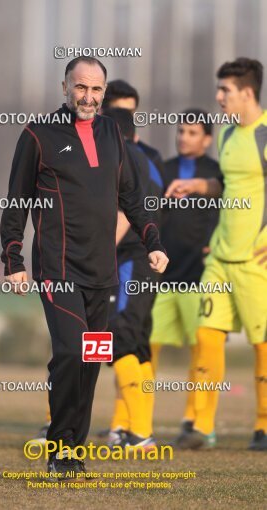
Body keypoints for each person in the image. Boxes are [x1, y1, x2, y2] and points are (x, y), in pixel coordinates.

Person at [0, 56, 168, 477]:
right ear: (64, 87)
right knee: (71, 352)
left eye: (96, 90)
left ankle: (72, 454)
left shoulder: (113, 132)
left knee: (90, 362)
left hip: (103, 273)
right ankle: (59, 448)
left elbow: (132, 196)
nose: (88, 97)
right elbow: (17, 201)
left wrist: (153, 241)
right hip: (57, 269)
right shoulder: (37, 135)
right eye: (80, 88)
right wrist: (13, 260)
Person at [166, 58, 267, 450]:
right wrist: (198, 186)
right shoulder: (225, 136)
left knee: (262, 345)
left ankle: (263, 426)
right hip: (220, 260)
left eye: (225, 90)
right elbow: (225, 183)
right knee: (206, 336)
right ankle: (201, 427)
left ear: (247, 92)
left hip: (255, 263)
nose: (218, 96)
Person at [149, 109, 221, 444]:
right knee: (146, 346)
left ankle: (194, 423)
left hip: (200, 276)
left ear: (207, 139)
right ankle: (137, 423)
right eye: (180, 131)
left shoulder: (218, 174)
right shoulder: (164, 170)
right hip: (162, 276)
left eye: (192, 132)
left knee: (201, 350)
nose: (183, 137)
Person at [102, 107, 163, 450]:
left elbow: (126, 213)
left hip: (128, 261)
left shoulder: (121, 156)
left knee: (119, 340)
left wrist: (96, 256)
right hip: (148, 261)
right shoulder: (149, 160)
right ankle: (127, 428)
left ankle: (140, 433)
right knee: (138, 347)